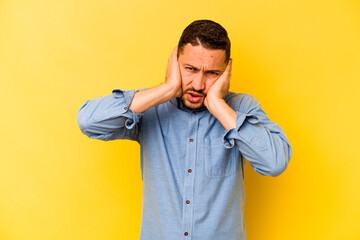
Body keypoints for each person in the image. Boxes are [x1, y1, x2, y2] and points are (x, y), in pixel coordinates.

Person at [77, 19, 292, 240]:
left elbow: (275, 163)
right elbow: (88, 121)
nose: (198, 84)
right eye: (190, 69)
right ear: (174, 60)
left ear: (227, 69)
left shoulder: (240, 108)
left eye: (212, 73)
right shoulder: (150, 106)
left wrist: (218, 106)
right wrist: (167, 89)